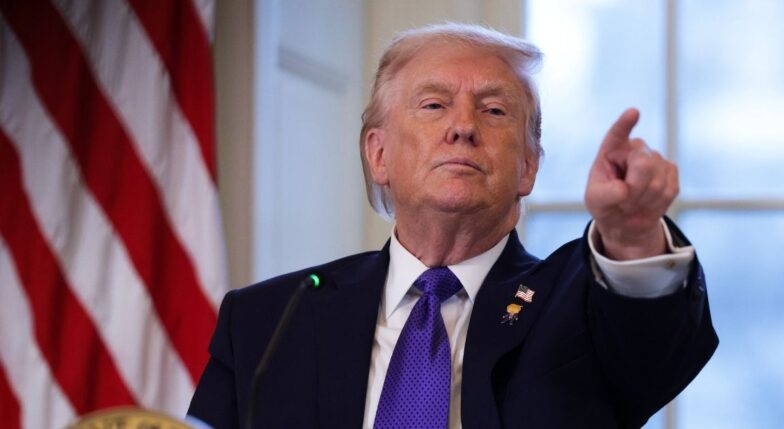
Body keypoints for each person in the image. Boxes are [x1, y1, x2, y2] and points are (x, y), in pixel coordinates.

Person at [188, 23, 717, 428]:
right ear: (379, 155)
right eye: (435, 104)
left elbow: (651, 347)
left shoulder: (577, 307)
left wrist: (629, 235)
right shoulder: (270, 320)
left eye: (493, 112)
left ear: (528, 166)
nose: (463, 127)